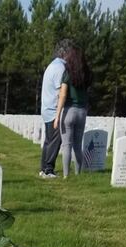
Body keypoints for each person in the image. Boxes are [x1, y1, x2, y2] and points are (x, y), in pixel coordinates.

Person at [53, 45, 91, 179]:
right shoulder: (87, 74)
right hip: (82, 112)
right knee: (77, 145)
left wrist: (57, 116)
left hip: (69, 111)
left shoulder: (67, 73)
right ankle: (78, 174)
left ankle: (66, 176)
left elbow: (62, 95)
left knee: (67, 145)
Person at [39, 39, 74, 179]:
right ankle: (48, 170)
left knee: (48, 140)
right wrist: (59, 115)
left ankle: (43, 168)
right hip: (54, 109)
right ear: (65, 53)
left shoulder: (52, 65)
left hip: (46, 108)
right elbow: (62, 93)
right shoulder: (61, 68)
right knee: (55, 140)